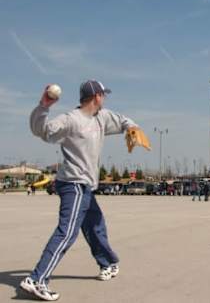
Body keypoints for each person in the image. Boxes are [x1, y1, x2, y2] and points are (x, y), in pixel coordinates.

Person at [20, 80, 144, 301]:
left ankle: (108, 263)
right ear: (96, 96)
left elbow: (123, 120)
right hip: (73, 184)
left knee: (95, 225)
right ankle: (37, 279)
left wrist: (132, 128)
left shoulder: (102, 117)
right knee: (67, 232)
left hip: (86, 185)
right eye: (103, 95)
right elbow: (42, 130)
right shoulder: (71, 120)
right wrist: (43, 106)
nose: (104, 98)